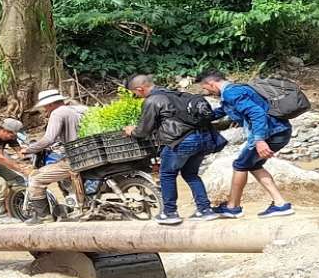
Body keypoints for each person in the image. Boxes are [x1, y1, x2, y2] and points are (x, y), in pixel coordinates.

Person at [196, 70, 294, 218]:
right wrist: (200, 119)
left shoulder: (231, 93)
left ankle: (233, 207)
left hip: (271, 133)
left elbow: (257, 113)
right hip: (279, 131)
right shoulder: (233, 91)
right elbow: (224, 110)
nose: (207, 91)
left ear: (211, 83)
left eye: (205, 88)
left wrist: (259, 140)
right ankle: (280, 204)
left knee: (240, 165)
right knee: (253, 165)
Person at [124, 75, 220, 225]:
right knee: (191, 174)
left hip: (180, 142)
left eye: (135, 93)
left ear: (139, 89)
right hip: (202, 139)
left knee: (167, 174)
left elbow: (143, 131)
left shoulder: (152, 100)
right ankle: (205, 210)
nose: (136, 96)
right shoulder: (175, 94)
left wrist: (132, 131)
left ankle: (170, 212)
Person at [21, 89, 88, 224]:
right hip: (88, 152)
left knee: (36, 178)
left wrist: (28, 149)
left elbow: (48, 139)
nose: (45, 109)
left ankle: (43, 217)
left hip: (74, 158)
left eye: (45, 106)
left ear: (50, 104)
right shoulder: (79, 109)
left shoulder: (57, 113)